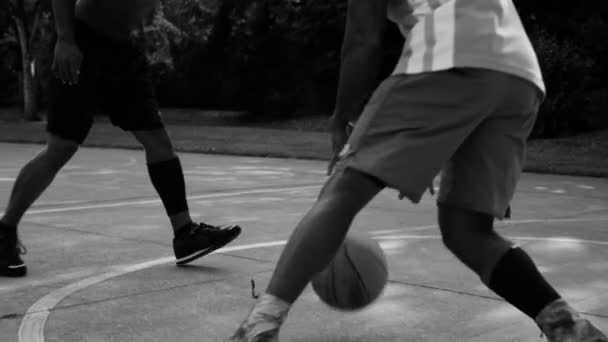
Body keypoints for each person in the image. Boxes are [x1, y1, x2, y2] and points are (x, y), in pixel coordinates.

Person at [226, 0, 608, 341]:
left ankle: (259, 327)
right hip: (519, 75)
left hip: (448, 56)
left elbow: (362, 39)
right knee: (466, 230)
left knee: (343, 190)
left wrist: (342, 119)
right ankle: (570, 329)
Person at [0, 0, 242, 278]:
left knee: (158, 142)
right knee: (61, 147)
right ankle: (5, 230)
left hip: (122, 52)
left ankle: (185, 233)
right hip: (83, 41)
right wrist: (66, 39)